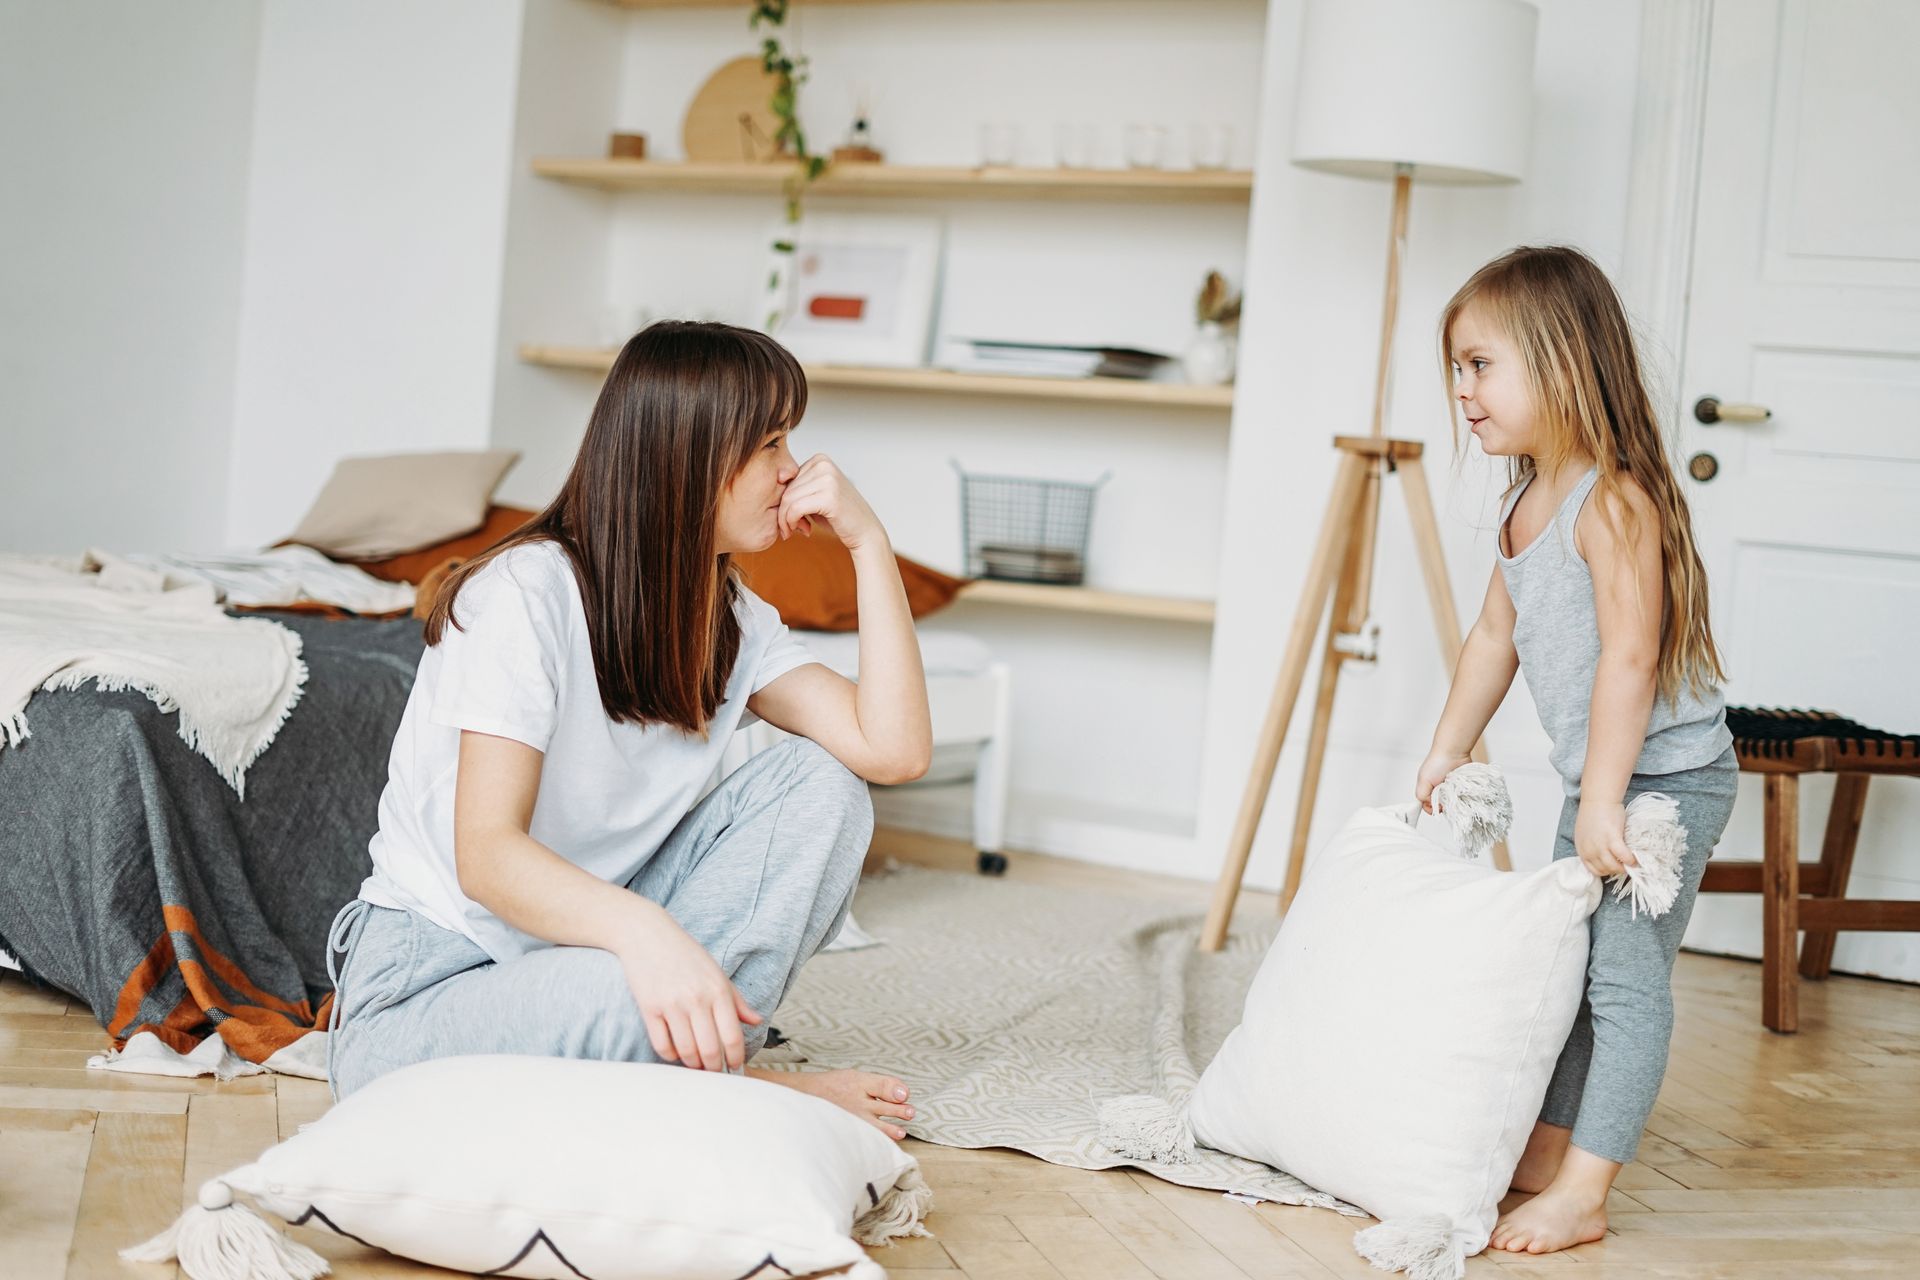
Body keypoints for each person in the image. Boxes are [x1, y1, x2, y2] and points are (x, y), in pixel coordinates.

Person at [324, 320, 932, 1141]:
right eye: (770, 443)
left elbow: (892, 752)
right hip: (424, 993)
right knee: (630, 993)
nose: (794, 470)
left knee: (825, 785)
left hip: (580, 953)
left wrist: (870, 544)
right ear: (689, 458)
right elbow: (487, 856)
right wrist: (651, 938)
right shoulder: (526, 593)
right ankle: (734, 1085)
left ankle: (699, 1066)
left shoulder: (734, 620)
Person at [1414, 246, 1736, 1253]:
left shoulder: (1615, 500)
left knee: (1624, 979)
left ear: (1561, 363)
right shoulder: (1521, 501)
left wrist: (1602, 802)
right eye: (1457, 369)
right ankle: (1550, 1150)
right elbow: (1493, 638)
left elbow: (1631, 661)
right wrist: (1448, 743)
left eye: (1481, 365)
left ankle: (1587, 1187)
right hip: (1597, 778)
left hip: (1666, 779)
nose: (1463, 391)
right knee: (1570, 967)